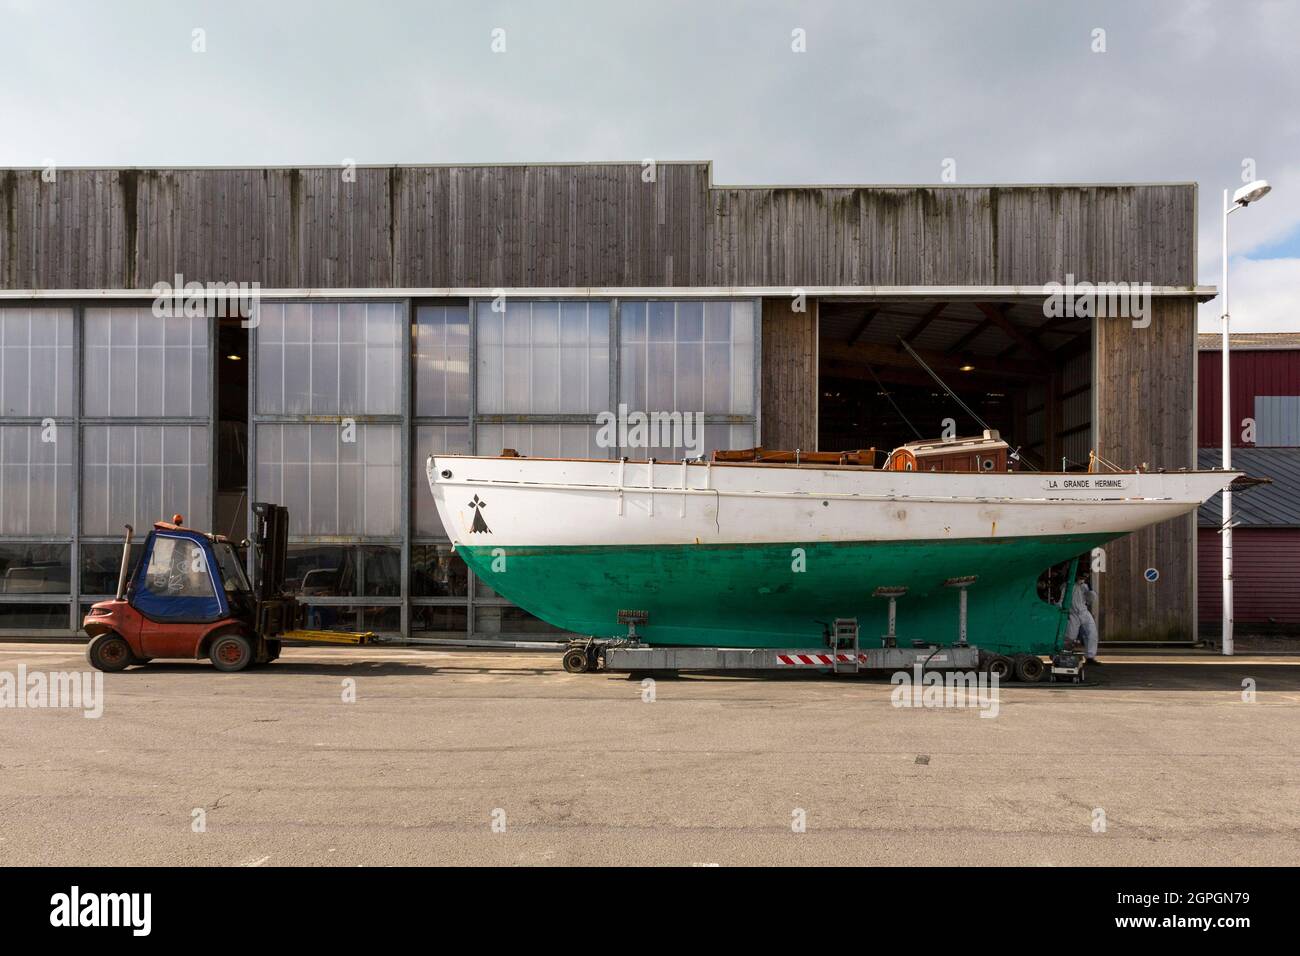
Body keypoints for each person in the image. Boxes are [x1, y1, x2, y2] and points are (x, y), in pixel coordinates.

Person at [1065, 568, 1100, 665]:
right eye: (1081, 577)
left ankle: (1090, 657)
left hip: (1084, 612)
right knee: (1070, 636)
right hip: (1072, 613)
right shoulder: (1067, 585)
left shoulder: (1084, 586)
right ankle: (1063, 656)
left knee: (1092, 633)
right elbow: (1060, 600)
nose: (1082, 579)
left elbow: (1091, 599)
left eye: (1084, 577)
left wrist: (1090, 588)